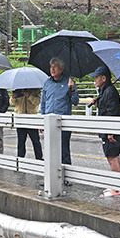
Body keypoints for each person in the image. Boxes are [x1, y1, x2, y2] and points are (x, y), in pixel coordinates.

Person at [40, 57, 79, 186]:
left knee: (64, 151)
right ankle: (48, 177)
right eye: (51, 67)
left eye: (55, 67)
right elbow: (43, 103)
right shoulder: (47, 83)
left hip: (63, 123)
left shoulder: (69, 82)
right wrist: (42, 121)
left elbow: (75, 102)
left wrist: (72, 89)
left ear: (61, 69)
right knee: (49, 151)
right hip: (49, 122)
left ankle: (66, 177)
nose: (52, 69)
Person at [89, 65, 120, 197]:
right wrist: (98, 103)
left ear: (104, 78)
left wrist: (110, 131)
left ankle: (115, 189)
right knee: (115, 157)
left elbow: (112, 112)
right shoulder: (107, 91)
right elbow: (107, 108)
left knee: (112, 158)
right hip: (112, 130)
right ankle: (118, 186)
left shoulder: (109, 91)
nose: (95, 80)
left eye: (97, 77)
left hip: (110, 132)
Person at [11, 88, 43, 160]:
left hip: (31, 118)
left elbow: (38, 102)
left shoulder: (36, 89)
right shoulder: (18, 89)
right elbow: (12, 103)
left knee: (35, 140)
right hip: (20, 117)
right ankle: (20, 158)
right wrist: (13, 97)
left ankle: (39, 158)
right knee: (21, 140)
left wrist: (29, 96)